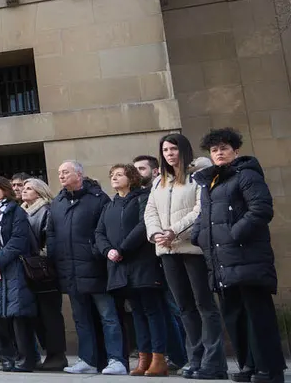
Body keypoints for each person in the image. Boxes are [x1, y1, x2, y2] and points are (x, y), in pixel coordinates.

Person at [195, 128, 285, 383]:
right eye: (214, 150)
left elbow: (261, 209)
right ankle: (248, 366)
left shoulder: (246, 175)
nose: (219, 153)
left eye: (224, 148)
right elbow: (204, 218)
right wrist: (200, 237)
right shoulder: (210, 182)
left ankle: (270, 369)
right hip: (221, 261)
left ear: (235, 151)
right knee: (234, 315)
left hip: (248, 258)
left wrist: (233, 235)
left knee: (258, 315)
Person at [146, 133, 225, 380]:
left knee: (204, 305)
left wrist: (174, 230)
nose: (170, 154)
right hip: (167, 250)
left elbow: (200, 210)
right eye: (166, 150)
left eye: (174, 149)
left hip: (192, 248)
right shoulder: (159, 181)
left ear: (184, 150)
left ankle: (214, 363)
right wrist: (157, 234)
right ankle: (196, 359)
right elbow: (150, 211)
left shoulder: (198, 175)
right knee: (184, 307)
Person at [50, 160, 125, 375]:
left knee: (108, 316)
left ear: (79, 174)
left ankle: (116, 360)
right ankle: (87, 359)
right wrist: (56, 256)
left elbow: (106, 230)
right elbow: (52, 232)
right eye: (59, 173)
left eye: (66, 172)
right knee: (80, 318)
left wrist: (95, 252)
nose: (61, 176)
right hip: (69, 270)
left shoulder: (98, 199)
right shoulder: (58, 202)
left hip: (95, 268)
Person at [97, 164, 169, 377]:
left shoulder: (143, 198)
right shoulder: (109, 205)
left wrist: (122, 249)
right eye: (112, 175)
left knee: (152, 311)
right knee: (136, 312)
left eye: (119, 174)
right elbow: (99, 232)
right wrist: (108, 250)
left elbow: (143, 225)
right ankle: (143, 359)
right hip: (120, 266)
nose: (114, 178)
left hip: (142, 263)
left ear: (132, 177)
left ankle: (159, 358)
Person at [0, 176, 38, 373]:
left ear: (5, 189)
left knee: (17, 317)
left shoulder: (16, 211)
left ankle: (25, 359)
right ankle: (6, 358)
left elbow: (18, 241)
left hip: (13, 269)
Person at [20, 177, 67, 370]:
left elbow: (50, 241)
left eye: (29, 188)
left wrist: (40, 258)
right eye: (24, 187)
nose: (24, 190)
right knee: (37, 316)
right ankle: (47, 352)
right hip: (28, 270)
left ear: (39, 192)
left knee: (50, 315)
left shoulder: (46, 210)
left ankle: (57, 355)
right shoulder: (22, 212)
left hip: (43, 270)